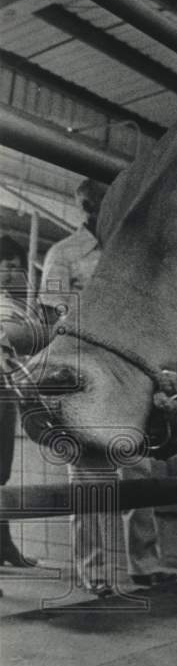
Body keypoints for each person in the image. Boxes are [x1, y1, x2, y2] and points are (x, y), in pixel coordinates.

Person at [40, 180, 177, 597]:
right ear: (83, 206)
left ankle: (145, 563)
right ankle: (94, 572)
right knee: (90, 478)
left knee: (139, 471)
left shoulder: (132, 256)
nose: (103, 209)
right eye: (94, 203)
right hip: (81, 379)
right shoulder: (63, 255)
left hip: (129, 378)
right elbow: (52, 322)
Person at [0, 234, 41, 580]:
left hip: (5, 393)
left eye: (16, 267)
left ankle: (4, 544)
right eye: (6, 266)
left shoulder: (15, 306)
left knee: (1, 474)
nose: (12, 273)